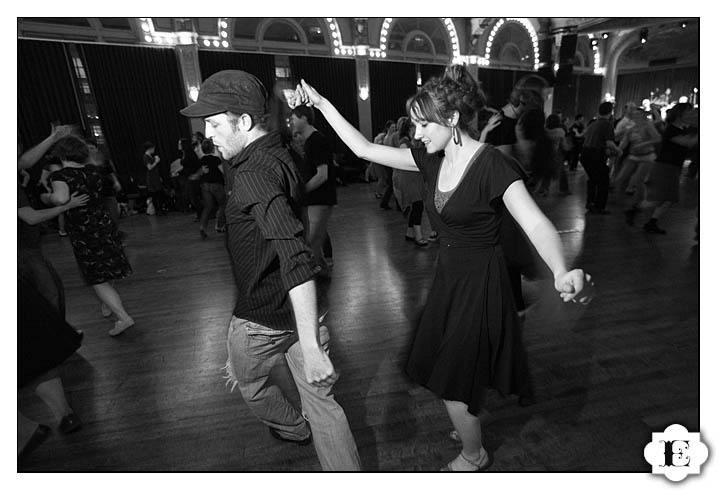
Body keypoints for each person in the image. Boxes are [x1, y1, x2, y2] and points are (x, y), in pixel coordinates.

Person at [289, 64, 592, 471]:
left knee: (451, 383)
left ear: (450, 119)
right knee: (448, 365)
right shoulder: (431, 159)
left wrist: (560, 270)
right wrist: (322, 104)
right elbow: (363, 149)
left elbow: (535, 221)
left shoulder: (491, 165)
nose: (416, 135)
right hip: (449, 281)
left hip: (482, 284)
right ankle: (467, 418)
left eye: (423, 126)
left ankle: (474, 453)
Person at [180, 70, 361, 471]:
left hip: (259, 320)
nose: (208, 134)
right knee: (324, 406)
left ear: (244, 122)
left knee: (250, 382)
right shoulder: (279, 151)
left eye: (213, 123)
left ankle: (294, 429)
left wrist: (312, 350)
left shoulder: (254, 175)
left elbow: (295, 256)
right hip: (303, 313)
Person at [42, 135, 135, 336]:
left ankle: (123, 317)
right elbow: (109, 188)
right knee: (108, 267)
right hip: (103, 222)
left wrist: (47, 196)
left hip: (84, 230)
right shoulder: (94, 171)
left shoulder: (62, 176)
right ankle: (108, 302)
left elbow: (60, 198)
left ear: (61, 154)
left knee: (96, 277)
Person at [624, 103, 698, 234]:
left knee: (669, 199)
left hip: (672, 167)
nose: (692, 114)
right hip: (665, 167)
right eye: (689, 112)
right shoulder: (672, 130)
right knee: (659, 199)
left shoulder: (683, 129)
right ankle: (635, 211)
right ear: (680, 114)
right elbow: (689, 143)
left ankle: (651, 221)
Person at [290, 105, 337, 276]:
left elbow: (322, 175)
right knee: (314, 240)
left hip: (320, 198)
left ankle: (319, 274)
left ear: (304, 118)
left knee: (312, 241)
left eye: (294, 119)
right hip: (316, 199)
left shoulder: (317, 140)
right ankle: (321, 272)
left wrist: (303, 191)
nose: (292, 123)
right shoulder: (310, 140)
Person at [392, 117, 429, 246]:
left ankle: (409, 233)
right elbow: (404, 160)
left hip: (414, 177)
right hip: (409, 178)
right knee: (418, 206)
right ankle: (418, 237)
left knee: (416, 206)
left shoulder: (410, 141)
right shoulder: (404, 142)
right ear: (410, 128)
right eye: (415, 127)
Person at [580, 101, 621, 214]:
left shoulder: (593, 123)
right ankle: (599, 207)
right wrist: (618, 151)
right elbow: (609, 143)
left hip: (585, 154)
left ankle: (590, 203)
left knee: (593, 179)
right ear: (610, 112)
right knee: (603, 181)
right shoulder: (607, 124)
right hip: (595, 154)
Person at [198, 138, 226, 238]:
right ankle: (219, 225)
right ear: (212, 148)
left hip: (205, 184)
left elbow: (200, 172)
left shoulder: (201, 160)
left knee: (208, 206)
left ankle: (202, 227)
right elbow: (222, 171)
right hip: (216, 184)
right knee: (223, 204)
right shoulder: (216, 159)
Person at [143, 141, 165, 215]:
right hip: (152, 178)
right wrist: (156, 161)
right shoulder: (146, 157)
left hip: (155, 177)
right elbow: (149, 167)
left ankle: (160, 209)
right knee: (155, 194)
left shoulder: (150, 156)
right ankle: (158, 210)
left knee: (159, 193)